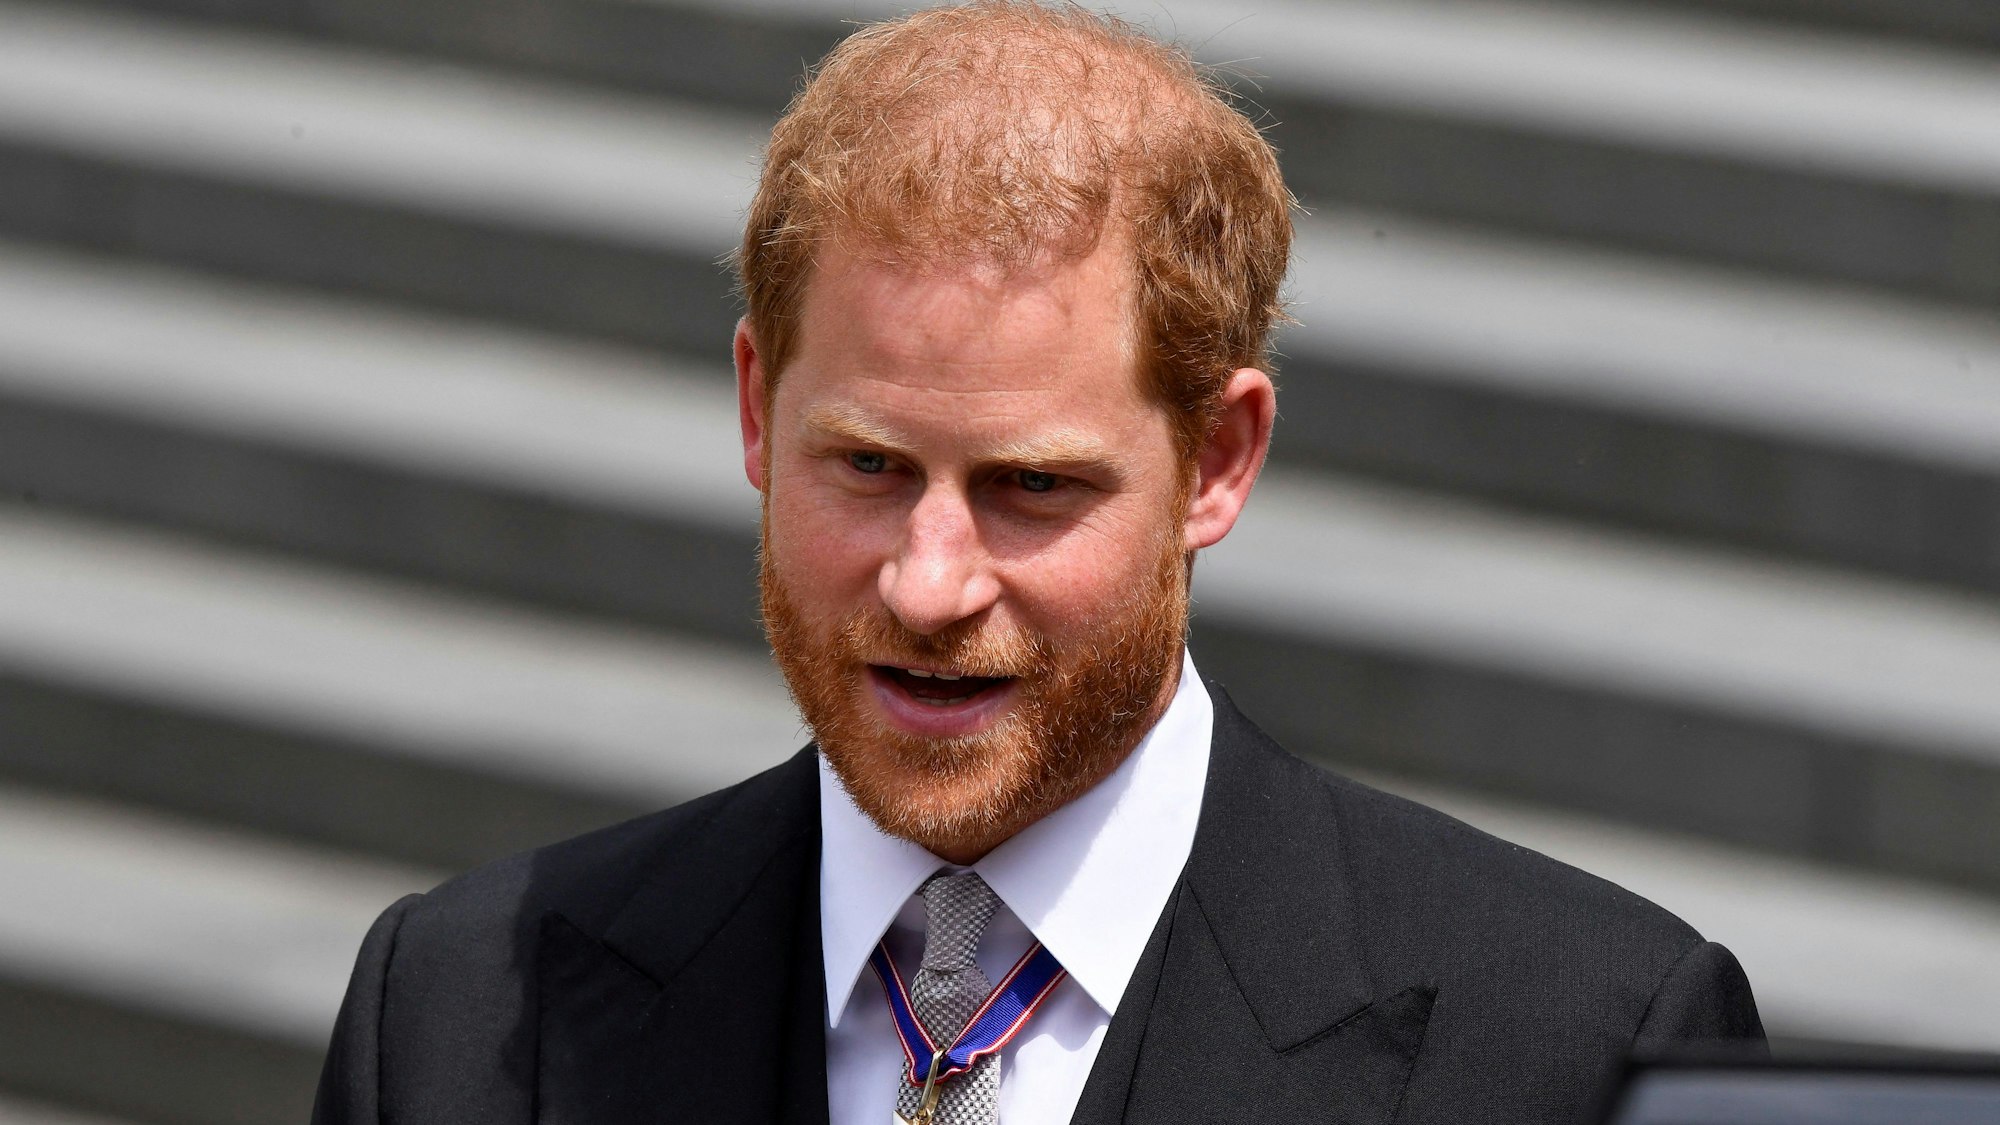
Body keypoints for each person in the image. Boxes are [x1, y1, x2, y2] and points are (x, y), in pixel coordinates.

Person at [311, 3, 1763, 1122]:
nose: (929, 584)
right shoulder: (449, 1018)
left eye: (1030, 487)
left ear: (1220, 460)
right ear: (758, 408)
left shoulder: (1585, 1047)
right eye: (869, 466)